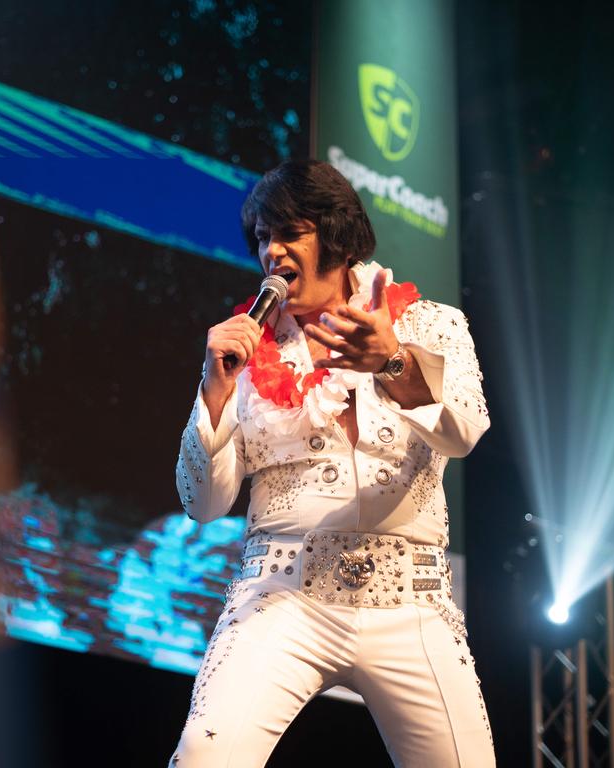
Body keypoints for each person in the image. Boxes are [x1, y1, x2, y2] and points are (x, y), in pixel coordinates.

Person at [168, 159, 494, 767]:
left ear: (337, 237)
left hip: (412, 600)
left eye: (289, 233)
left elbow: (465, 429)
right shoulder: (244, 351)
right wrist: (212, 392)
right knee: (203, 757)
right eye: (263, 238)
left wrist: (393, 361)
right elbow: (202, 503)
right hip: (280, 594)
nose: (272, 252)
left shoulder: (431, 323)